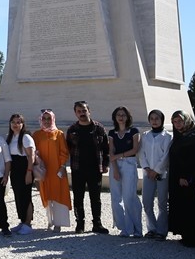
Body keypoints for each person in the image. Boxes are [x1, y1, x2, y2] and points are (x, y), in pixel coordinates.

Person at [66, 101, 110, 233]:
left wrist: (106, 164)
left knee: (95, 198)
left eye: (84, 110)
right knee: (78, 197)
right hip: (78, 168)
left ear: (89, 111)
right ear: (75, 113)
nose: (82, 113)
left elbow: (106, 148)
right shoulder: (72, 129)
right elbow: (67, 148)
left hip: (95, 168)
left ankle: (97, 223)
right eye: (79, 111)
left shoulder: (99, 128)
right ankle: (80, 224)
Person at [167, 111, 195, 247]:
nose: (177, 124)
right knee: (182, 205)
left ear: (187, 120)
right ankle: (186, 234)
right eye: (175, 121)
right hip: (177, 177)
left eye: (180, 121)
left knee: (192, 205)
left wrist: (186, 176)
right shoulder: (179, 136)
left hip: (190, 177)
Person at [32, 110, 72, 231]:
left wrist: (62, 167)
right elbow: (34, 151)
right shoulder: (37, 135)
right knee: (47, 195)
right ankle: (50, 221)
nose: (47, 121)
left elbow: (64, 152)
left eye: (49, 118)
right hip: (44, 170)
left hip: (57, 170)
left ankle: (59, 223)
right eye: (44, 118)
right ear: (41, 120)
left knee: (59, 194)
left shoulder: (59, 134)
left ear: (53, 119)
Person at [108, 106, 143, 237]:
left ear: (128, 117)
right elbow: (111, 151)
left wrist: (119, 156)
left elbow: (135, 149)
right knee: (116, 198)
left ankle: (137, 228)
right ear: (115, 117)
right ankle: (124, 228)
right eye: (118, 115)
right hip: (116, 164)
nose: (121, 117)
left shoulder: (134, 131)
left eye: (123, 115)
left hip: (129, 163)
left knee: (129, 197)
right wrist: (115, 168)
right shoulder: (112, 133)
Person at [138, 110, 173, 239]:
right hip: (148, 174)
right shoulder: (145, 135)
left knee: (162, 203)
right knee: (147, 202)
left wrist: (156, 170)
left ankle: (161, 230)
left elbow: (166, 156)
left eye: (157, 118)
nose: (154, 121)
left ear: (162, 120)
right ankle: (151, 228)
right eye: (152, 118)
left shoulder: (168, 136)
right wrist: (147, 168)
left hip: (162, 174)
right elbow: (141, 153)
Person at [3, 113, 36, 235]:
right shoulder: (10, 137)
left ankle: (28, 223)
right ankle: (22, 221)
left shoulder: (26, 138)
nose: (15, 125)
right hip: (15, 169)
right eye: (13, 122)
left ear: (22, 124)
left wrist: (29, 172)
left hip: (25, 168)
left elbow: (31, 156)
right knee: (18, 195)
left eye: (18, 122)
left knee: (26, 196)